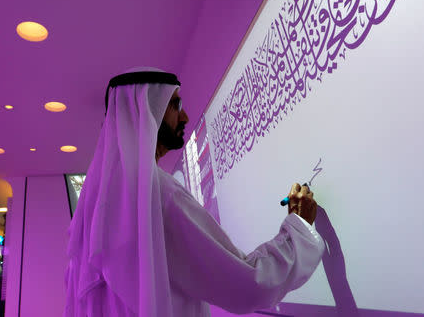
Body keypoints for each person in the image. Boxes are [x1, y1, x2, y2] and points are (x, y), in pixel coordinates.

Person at [64, 67, 325, 317]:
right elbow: (246, 283)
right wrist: (299, 227)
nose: (185, 116)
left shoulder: (97, 204)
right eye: (175, 105)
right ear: (146, 111)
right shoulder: (160, 195)